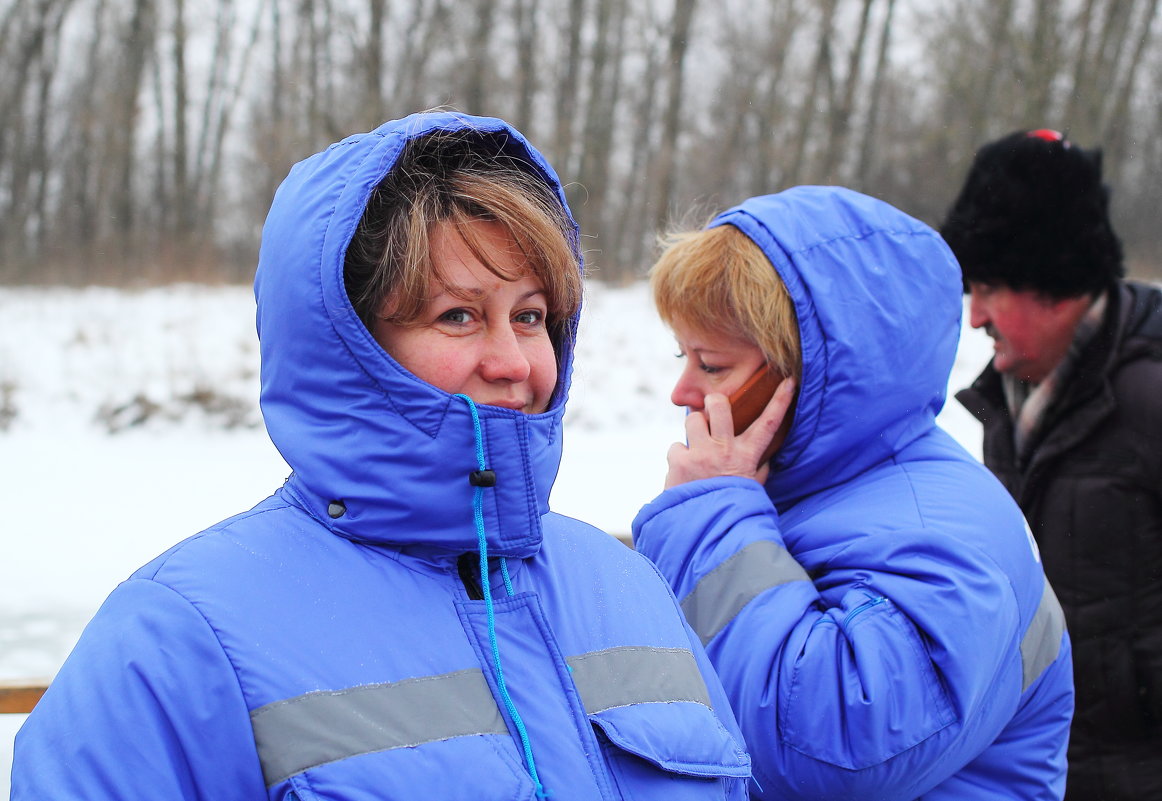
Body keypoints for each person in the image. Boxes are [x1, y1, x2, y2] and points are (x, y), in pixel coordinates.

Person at [12, 111, 751, 800]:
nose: (514, 360)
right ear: (351, 345)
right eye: (457, 315)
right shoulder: (178, 640)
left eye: (529, 315)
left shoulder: (629, 591)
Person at [632, 185, 1074, 800]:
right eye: (684, 356)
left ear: (805, 375)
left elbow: (832, 748)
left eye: (710, 364)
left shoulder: (943, 532)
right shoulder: (814, 485)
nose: (682, 391)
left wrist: (712, 519)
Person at [942, 129, 1162, 801]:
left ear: (1056, 280)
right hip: (1051, 769)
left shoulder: (1151, 402)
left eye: (988, 287)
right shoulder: (1007, 403)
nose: (973, 314)